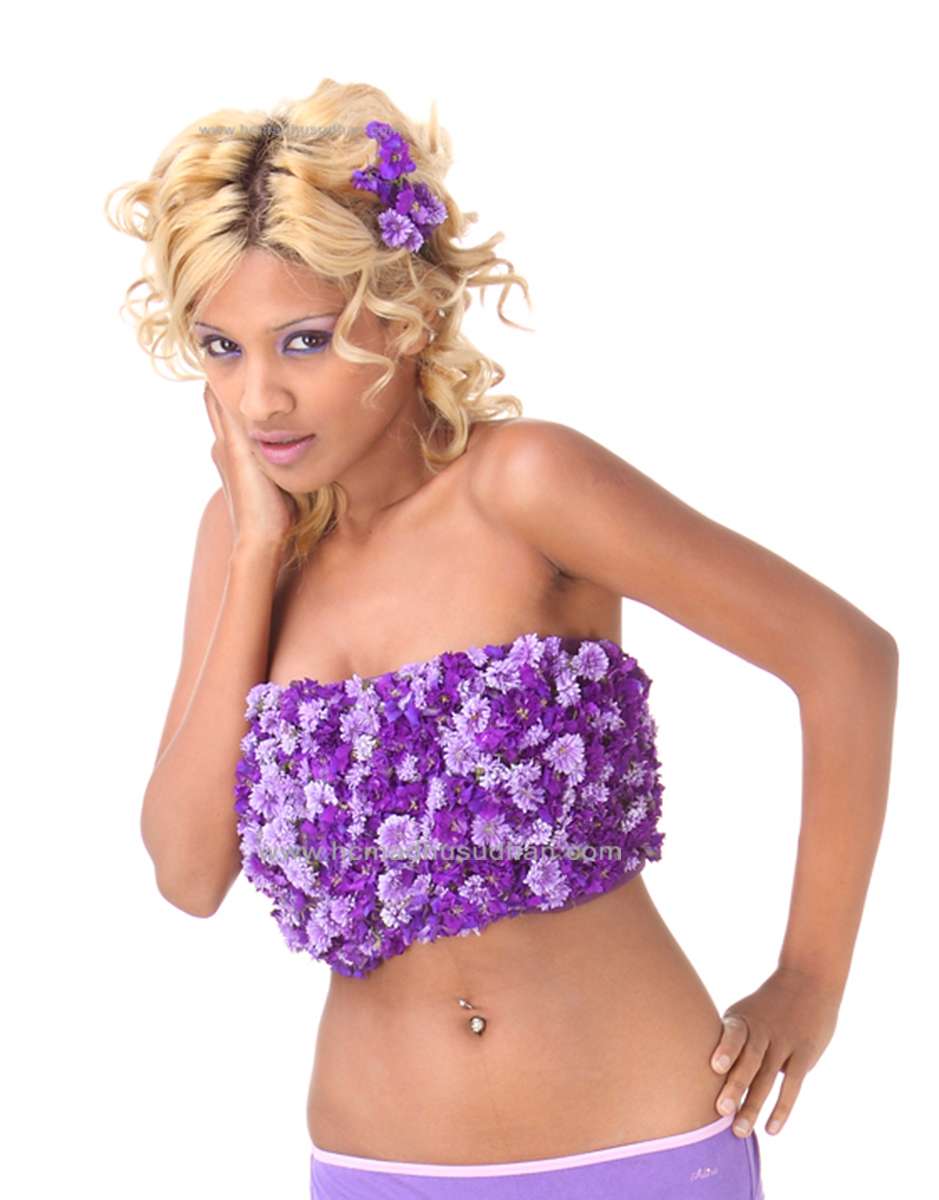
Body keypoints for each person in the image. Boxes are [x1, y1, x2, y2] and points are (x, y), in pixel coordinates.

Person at [105, 79, 898, 1200]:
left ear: (405, 316)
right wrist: (253, 550)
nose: (262, 398)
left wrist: (810, 980)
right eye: (222, 350)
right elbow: (188, 873)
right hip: (373, 1166)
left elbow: (844, 659)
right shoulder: (243, 543)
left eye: (305, 341)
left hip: (635, 1151)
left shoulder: (527, 485)